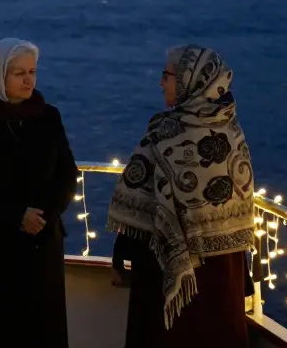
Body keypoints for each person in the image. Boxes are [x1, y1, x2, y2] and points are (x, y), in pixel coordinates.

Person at [107, 45, 256, 348]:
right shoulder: (231, 130)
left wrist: (121, 254)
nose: (161, 82)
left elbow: (141, 195)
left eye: (167, 75)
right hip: (223, 273)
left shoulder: (165, 132)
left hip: (163, 272)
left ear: (191, 79)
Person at [0, 38, 78, 348]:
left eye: (32, 71)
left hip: (41, 241)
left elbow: (67, 175)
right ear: (0, 74)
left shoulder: (49, 118)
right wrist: (15, 215)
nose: (28, 80)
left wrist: (43, 215)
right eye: (19, 73)